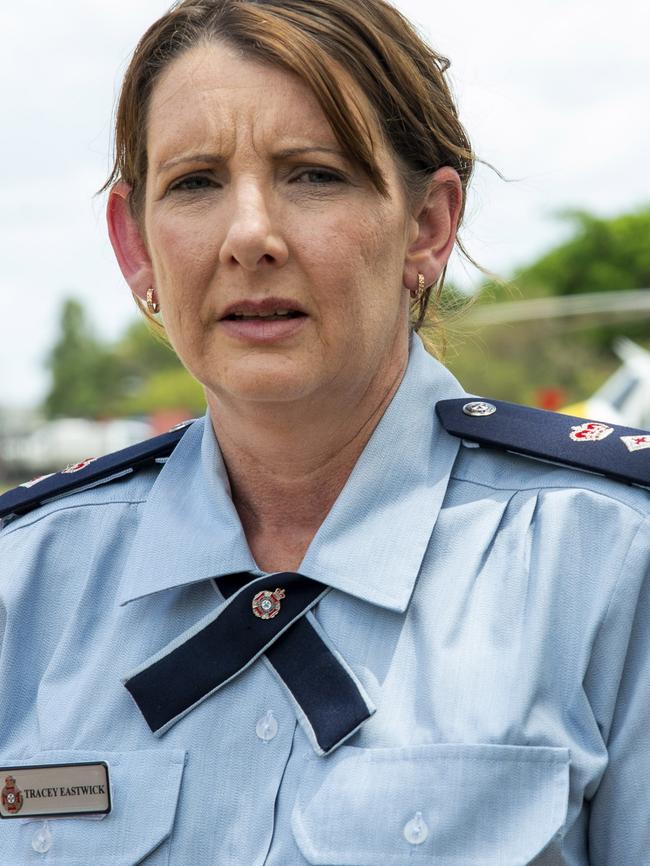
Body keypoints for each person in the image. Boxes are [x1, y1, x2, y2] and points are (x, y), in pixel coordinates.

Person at [1, 0, 649, 862]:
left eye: (314, 174)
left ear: (427, 225)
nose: (250, 236)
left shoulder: (610, 564)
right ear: (137, 245)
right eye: (194, 182)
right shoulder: (24, 588)